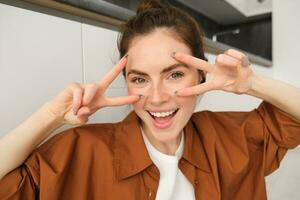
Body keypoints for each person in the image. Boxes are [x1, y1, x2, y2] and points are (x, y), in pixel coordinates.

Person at [0, 0, 300, 199]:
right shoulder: (81, 149)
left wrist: (252, 83)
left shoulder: (232, 137)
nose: (156, 99)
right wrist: (51, 114)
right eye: (140, 79)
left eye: (174, 75)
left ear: (201, 76)